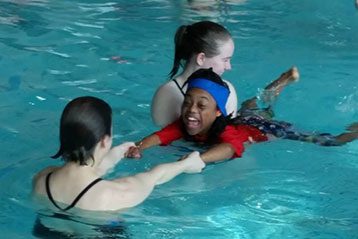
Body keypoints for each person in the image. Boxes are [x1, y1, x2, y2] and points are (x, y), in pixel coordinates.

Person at [127, 68, 358, 164]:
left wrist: (197, 159)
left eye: (201, 105)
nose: (191, 110)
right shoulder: (186, 123)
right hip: (242, 120)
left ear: (218, 111)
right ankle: (282, 81)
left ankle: (353, 132)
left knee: (331, 142)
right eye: (187, 102)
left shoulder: (225, 130)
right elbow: (161, 135)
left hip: (265, 131)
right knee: (252, 105)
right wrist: (140, 147)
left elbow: (231, 148)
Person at [32, 96, 205, 212]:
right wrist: (186, 164)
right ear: (104, 140)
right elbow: (154, 176)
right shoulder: (111, 194)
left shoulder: (41, 179)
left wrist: (114, 155)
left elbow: (82, 176)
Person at [151, 20, 238, 127]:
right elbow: (162, 139)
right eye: (225, 60)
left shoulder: (228, 89)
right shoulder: (167, 95)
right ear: (201, 58)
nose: (229, 67)